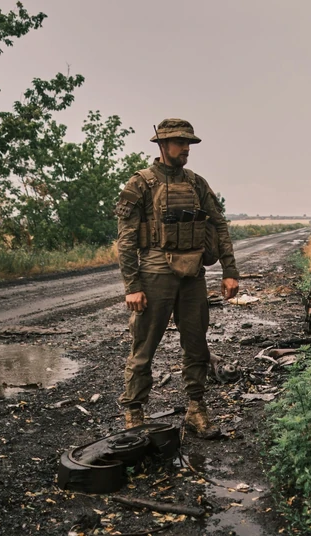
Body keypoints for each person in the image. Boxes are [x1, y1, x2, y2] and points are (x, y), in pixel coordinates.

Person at [114, 118, 239, 437]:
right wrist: (133, 286)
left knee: (197, 345)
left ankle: (196, 410)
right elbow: (126, 239)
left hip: (193, 275)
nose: (186, 148)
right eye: (180, 142)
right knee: (144, 347)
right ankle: (134, 414)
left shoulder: (196, 183)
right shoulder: (141, 183)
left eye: (189, 143)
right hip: (155, 274)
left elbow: (219, 224)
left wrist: (229, 271)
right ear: (162, 144)